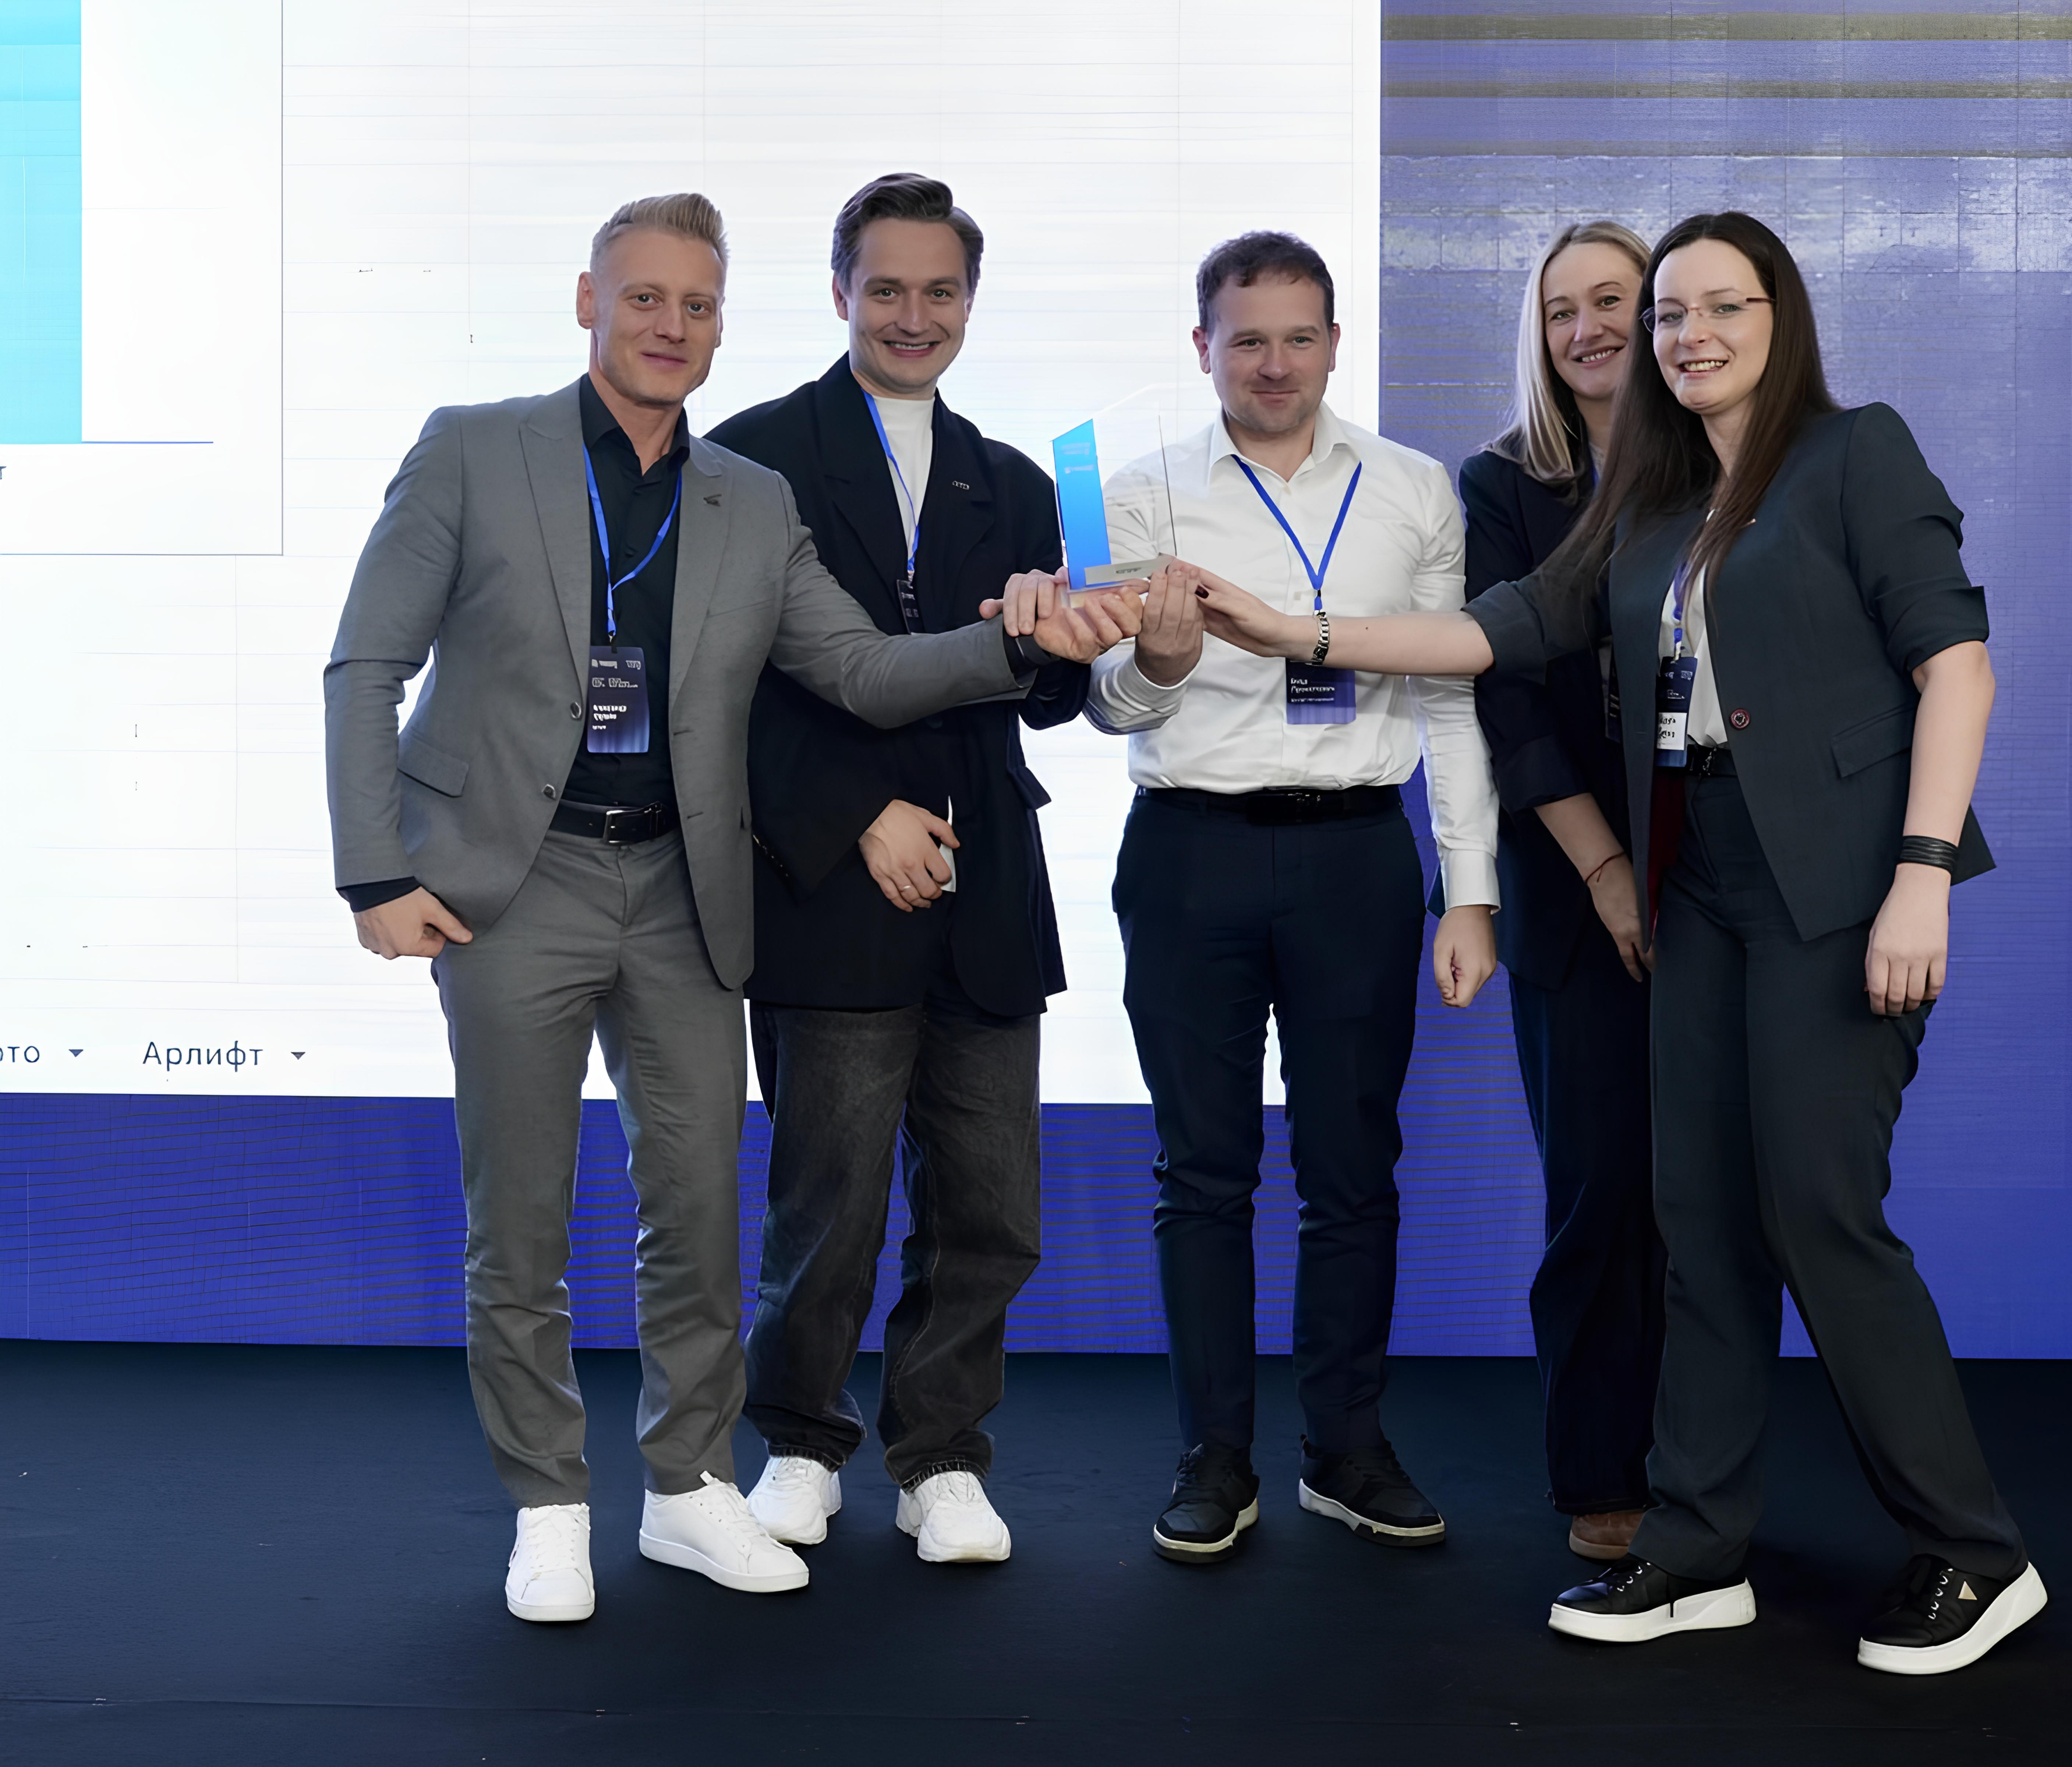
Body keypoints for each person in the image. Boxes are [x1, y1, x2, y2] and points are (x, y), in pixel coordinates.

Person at [1184, 212, 2043, 1674]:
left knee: (1816, 1212)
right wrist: (1291, 631)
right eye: (1669, 316)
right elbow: (1496, 633)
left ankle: (1973, 1551)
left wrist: (1921, 874)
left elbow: (1955, 667)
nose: (1687, 334)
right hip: (1694, 880)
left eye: (1721, 306)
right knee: (1693, 1217)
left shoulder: (1855, 453)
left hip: (1838, 886)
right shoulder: (1651, 504)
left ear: (1781, 317)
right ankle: (1696, 1546)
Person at [323, 193, 1134, 1625]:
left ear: (721, 325)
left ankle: (687, 1487)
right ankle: (549, 1507)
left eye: (696, 306)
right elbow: (364, 667)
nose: (671, 326)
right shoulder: (473, 449)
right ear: (590, 301)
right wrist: (375, 872)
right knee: (519, 1222)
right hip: (515, 884)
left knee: (697, 1215)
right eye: (644, 298)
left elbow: (862, 673)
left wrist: (1014, 642)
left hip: (682, 892)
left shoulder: (749, 498)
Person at [1079, 230, 1502, 1564]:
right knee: (1201, 1173)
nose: (1274, 364)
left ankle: (1346, 1448)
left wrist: (1470, 890)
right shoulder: (1137, 494)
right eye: (1246, 338)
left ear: (1334, 344)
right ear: (1203, 346)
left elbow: (1451, 693)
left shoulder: (1414, 489)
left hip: (1358, 861)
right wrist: (1157, 662)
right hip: (1188, 854)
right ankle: (1214, 1458)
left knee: (1352, 1170)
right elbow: (1105, 705)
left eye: (1298, 337)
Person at [704, 174, 1081, 1566]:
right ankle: (802, 1443)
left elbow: (1048, 698)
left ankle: (944, 1460)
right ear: (840, 292)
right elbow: (718, 692)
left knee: (990, 1211)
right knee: (829, 1205)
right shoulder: (747, 457)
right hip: (826, 881)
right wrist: (858, 812)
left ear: (970, 301)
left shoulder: (1020, 481)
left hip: (988, 885)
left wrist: (1092, 640)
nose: (914, 315)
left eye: (941, 291)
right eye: (887, 288)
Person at [1460, 221, 1663, 1564]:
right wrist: (1604, 871)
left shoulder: (1729, 467)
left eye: (1612, 301)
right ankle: (1602, 1474)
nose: (1586, 329)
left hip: (1724, 880)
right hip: (1573, 890)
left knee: (1708, 1200)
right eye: (1559, 310)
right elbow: (1508, 696)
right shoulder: (1501, 485)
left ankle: (1704, 1465)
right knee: (1598, 1193)